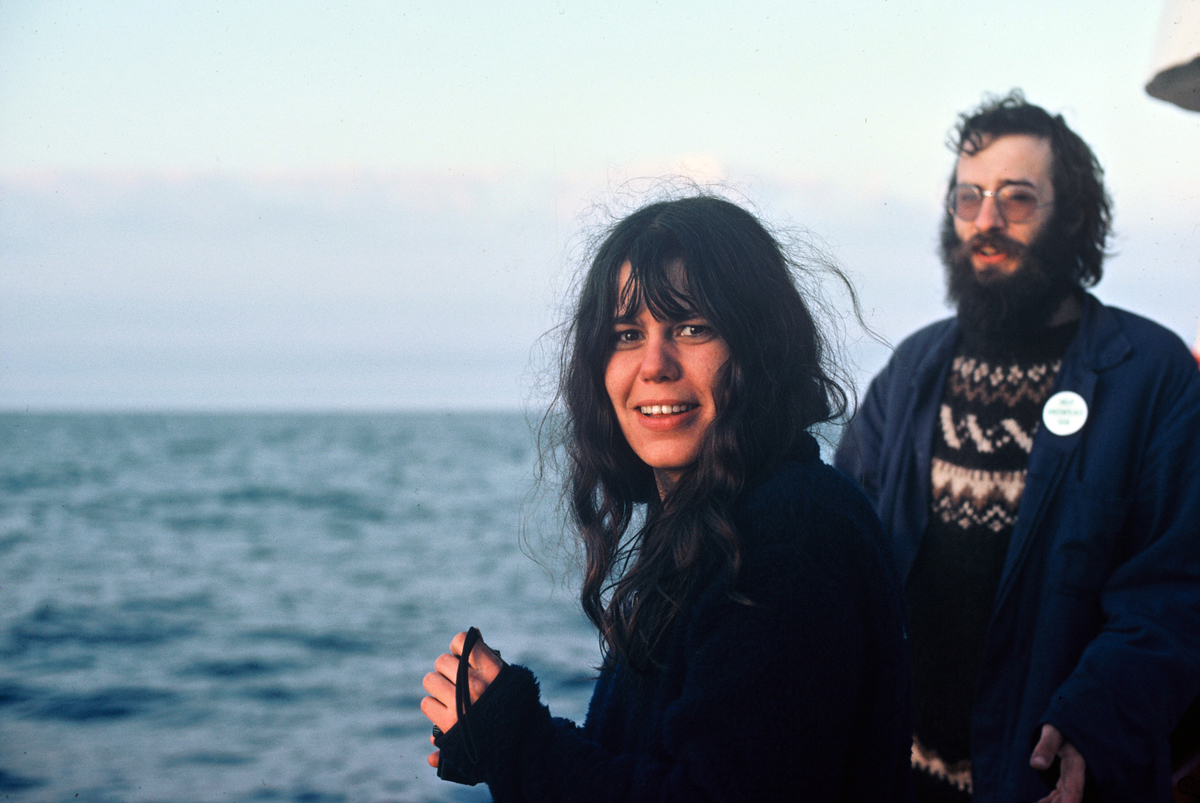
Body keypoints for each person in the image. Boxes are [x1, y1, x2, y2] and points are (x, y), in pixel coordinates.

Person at [421, 194, 913, 802]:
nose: (655, 365)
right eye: (627, 334)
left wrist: (516, 741)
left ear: (759, 345)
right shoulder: (714, 518)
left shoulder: (789, 533)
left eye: (691, 328)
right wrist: (497, 739)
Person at [834, 90, 1200, 803]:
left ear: (1076, 215)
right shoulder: (911, 370)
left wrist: (1096, 720)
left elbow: (1175, 593)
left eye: (1017, 197)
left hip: (1052, 783)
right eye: (968, 197)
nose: (986, 221)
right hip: (898, 781)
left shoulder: (1153, 378)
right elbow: (841, 549)